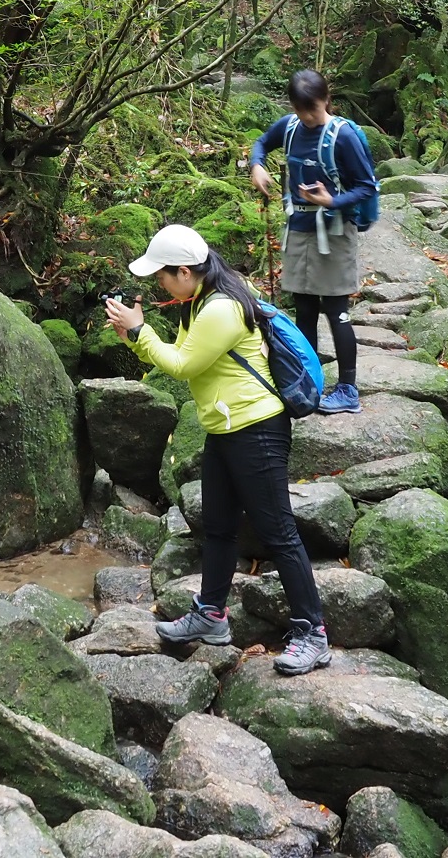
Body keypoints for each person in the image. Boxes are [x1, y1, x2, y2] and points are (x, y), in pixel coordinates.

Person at [104, 224, 331, 676]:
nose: (160, 285)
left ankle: (313, 633)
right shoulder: (203, 299)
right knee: (220, 527)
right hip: (225, 428)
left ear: (185, 271)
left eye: (163, 277)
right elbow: (182, 354)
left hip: (257, 428)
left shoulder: (222, 308)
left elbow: (183, 364)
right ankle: (211, 615)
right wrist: (136, 334)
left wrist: (141, 331)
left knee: (278, 532)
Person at [249, 67, 378, 414]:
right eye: (302, 110)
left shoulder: (344, 136)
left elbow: (368, 186)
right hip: (299, 230)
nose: (308, 118)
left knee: (337, 312)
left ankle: (348, 390)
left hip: (335, 232)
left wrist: (331, 201)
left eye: (314, 110)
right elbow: (261, 142)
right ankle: (307, 381)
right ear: (293, 106)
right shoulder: (289, 127)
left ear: (326, 100)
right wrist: (257, 164)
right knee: (304, 310)